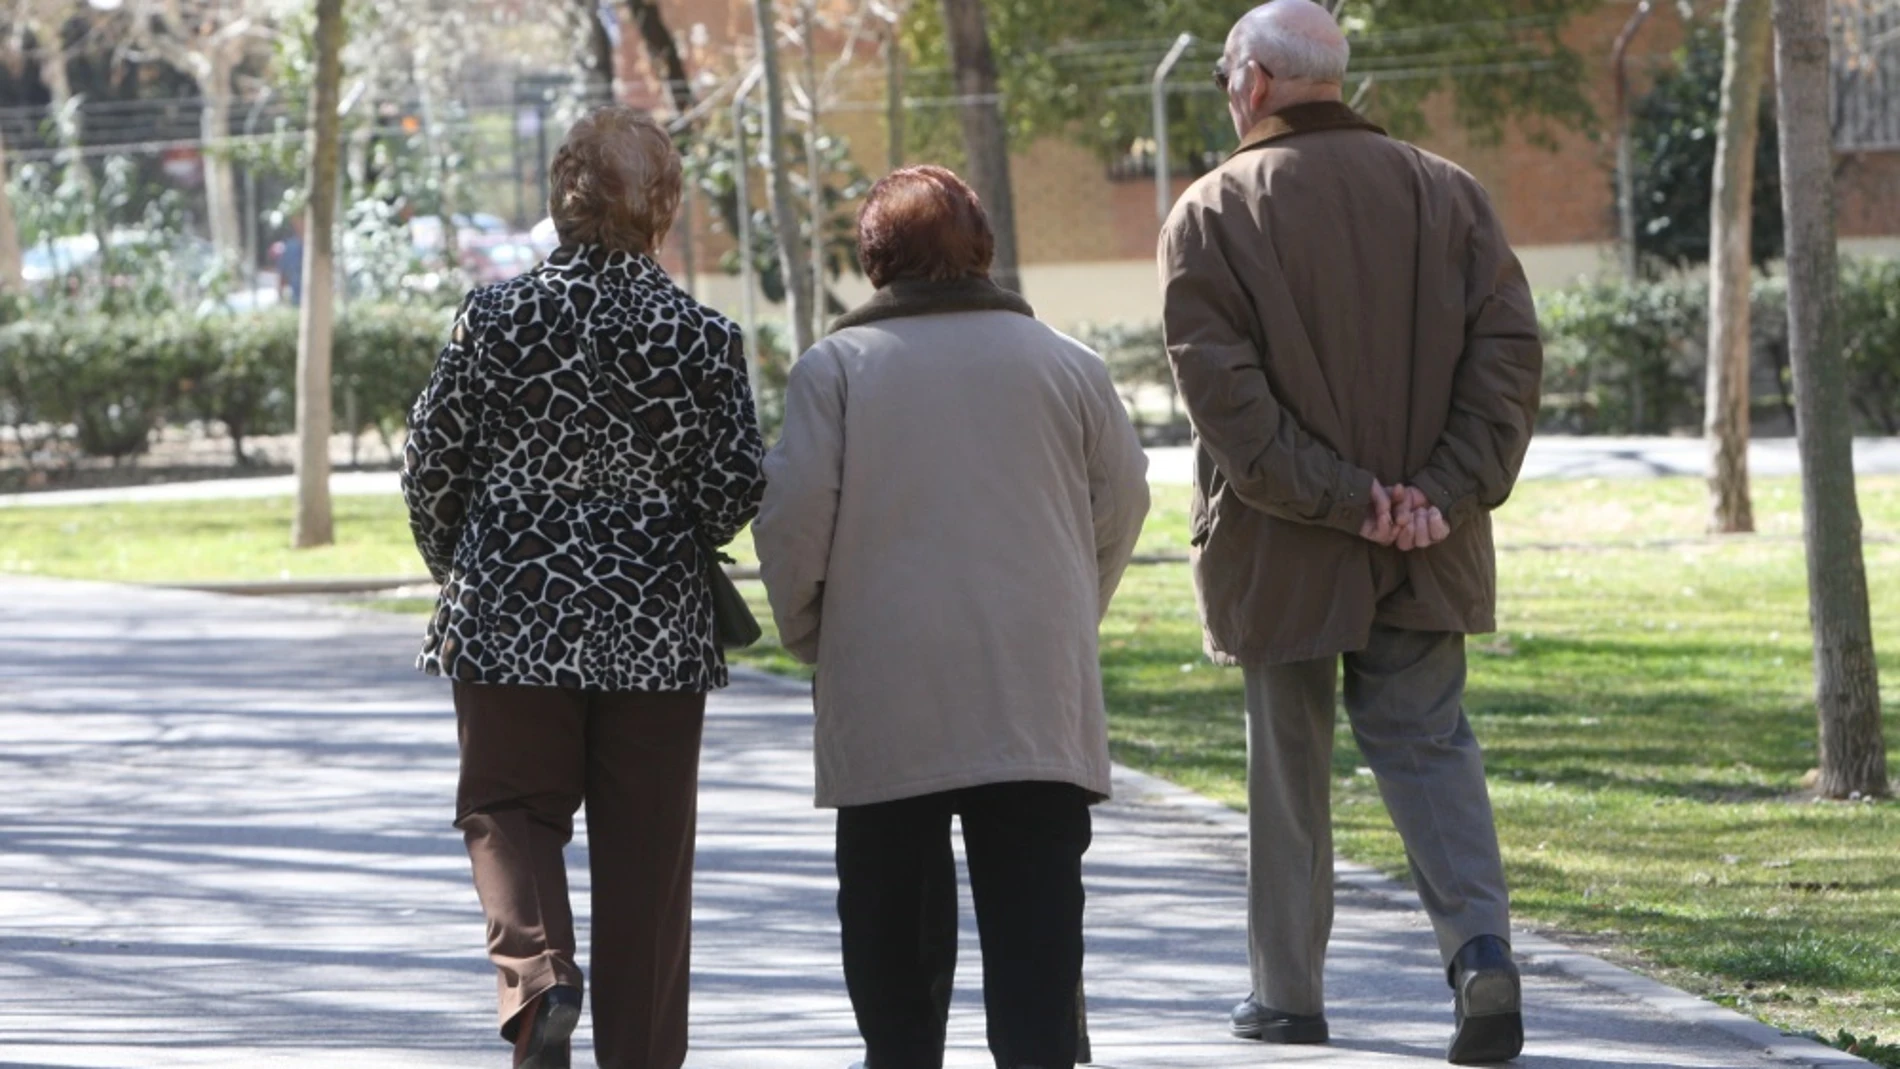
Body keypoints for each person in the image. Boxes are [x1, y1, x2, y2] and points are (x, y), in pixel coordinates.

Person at [1159, 2, 1544, 1064]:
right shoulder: (1447, 192)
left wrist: (1346, 497)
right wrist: (1434, 493)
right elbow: (1508, 360)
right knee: (1429, 746)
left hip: (1284, 543)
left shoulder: (1210, 211)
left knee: (1288, 766)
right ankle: (1479, 952)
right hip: (1430, 537)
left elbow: (1226, 404)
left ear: (1250, 83)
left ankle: (1287, 994)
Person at [755, 165, 1151, 1069]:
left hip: (887, 678)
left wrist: (816, 631)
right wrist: (1073, 603)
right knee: (1038, 928)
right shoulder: (1067, 361)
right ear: (983, 251)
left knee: (891, 930)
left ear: (875, 261)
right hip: (1031, 682)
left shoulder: (838, 368)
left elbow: (794, 518)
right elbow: (1125, 498)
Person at [401, 105, 765, 1069]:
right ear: (664, 210)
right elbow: (732, 490)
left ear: (560, 199)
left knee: (510, 812)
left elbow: (429, 465)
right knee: (648, 855)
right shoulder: (701, 335)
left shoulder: (493, 316)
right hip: (653, 627)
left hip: (510, 612)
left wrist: (466, 566)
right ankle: (640, 1057)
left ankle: (539, 977)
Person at [277, 216, 304, 307]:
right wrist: (280, 296)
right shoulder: (290, 247)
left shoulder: (319, 247)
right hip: (296, 298)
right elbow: (283, 273)